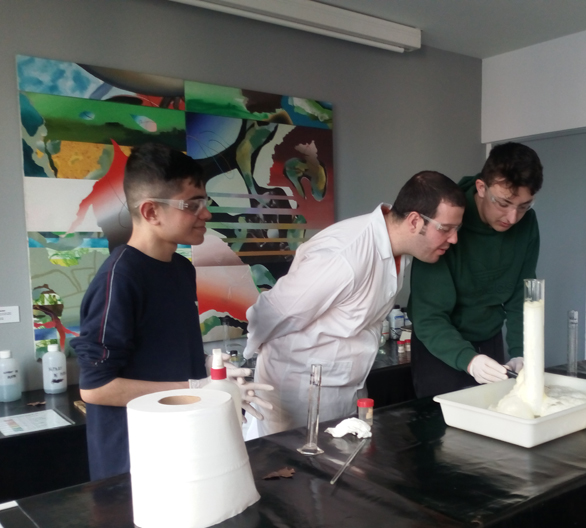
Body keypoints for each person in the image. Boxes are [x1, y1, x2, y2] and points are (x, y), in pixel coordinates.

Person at [71, 143, 270, 480]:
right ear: (151, 212)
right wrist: (195, 387)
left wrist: (212, 372)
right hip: (135, 461)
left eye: (204, 202)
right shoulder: (120, 278)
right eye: (192, 205)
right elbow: (95, 388)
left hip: (184, 443)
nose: (205, 214)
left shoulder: (180, 268)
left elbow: (166, 351)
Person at [243, 171, 465, 437]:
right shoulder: (345, 256)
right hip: (299, 393)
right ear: (415, 221)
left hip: (348, 385)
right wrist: (251, 363)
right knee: (294, 462)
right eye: (446, 229)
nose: (454, 239)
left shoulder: (399, 251)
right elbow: (270, 313)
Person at [407, 142, 544, 398]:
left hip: (489, 337)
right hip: (440, 345)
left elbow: (523, 294)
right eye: (503, 203)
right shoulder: (447, 222)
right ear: (481, 188)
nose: (512, 218)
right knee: (440, 421)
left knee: (495, 413)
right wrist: (468, 360)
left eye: (524, 206)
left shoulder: (527, 224)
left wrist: (521, 352)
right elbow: (428, 316)